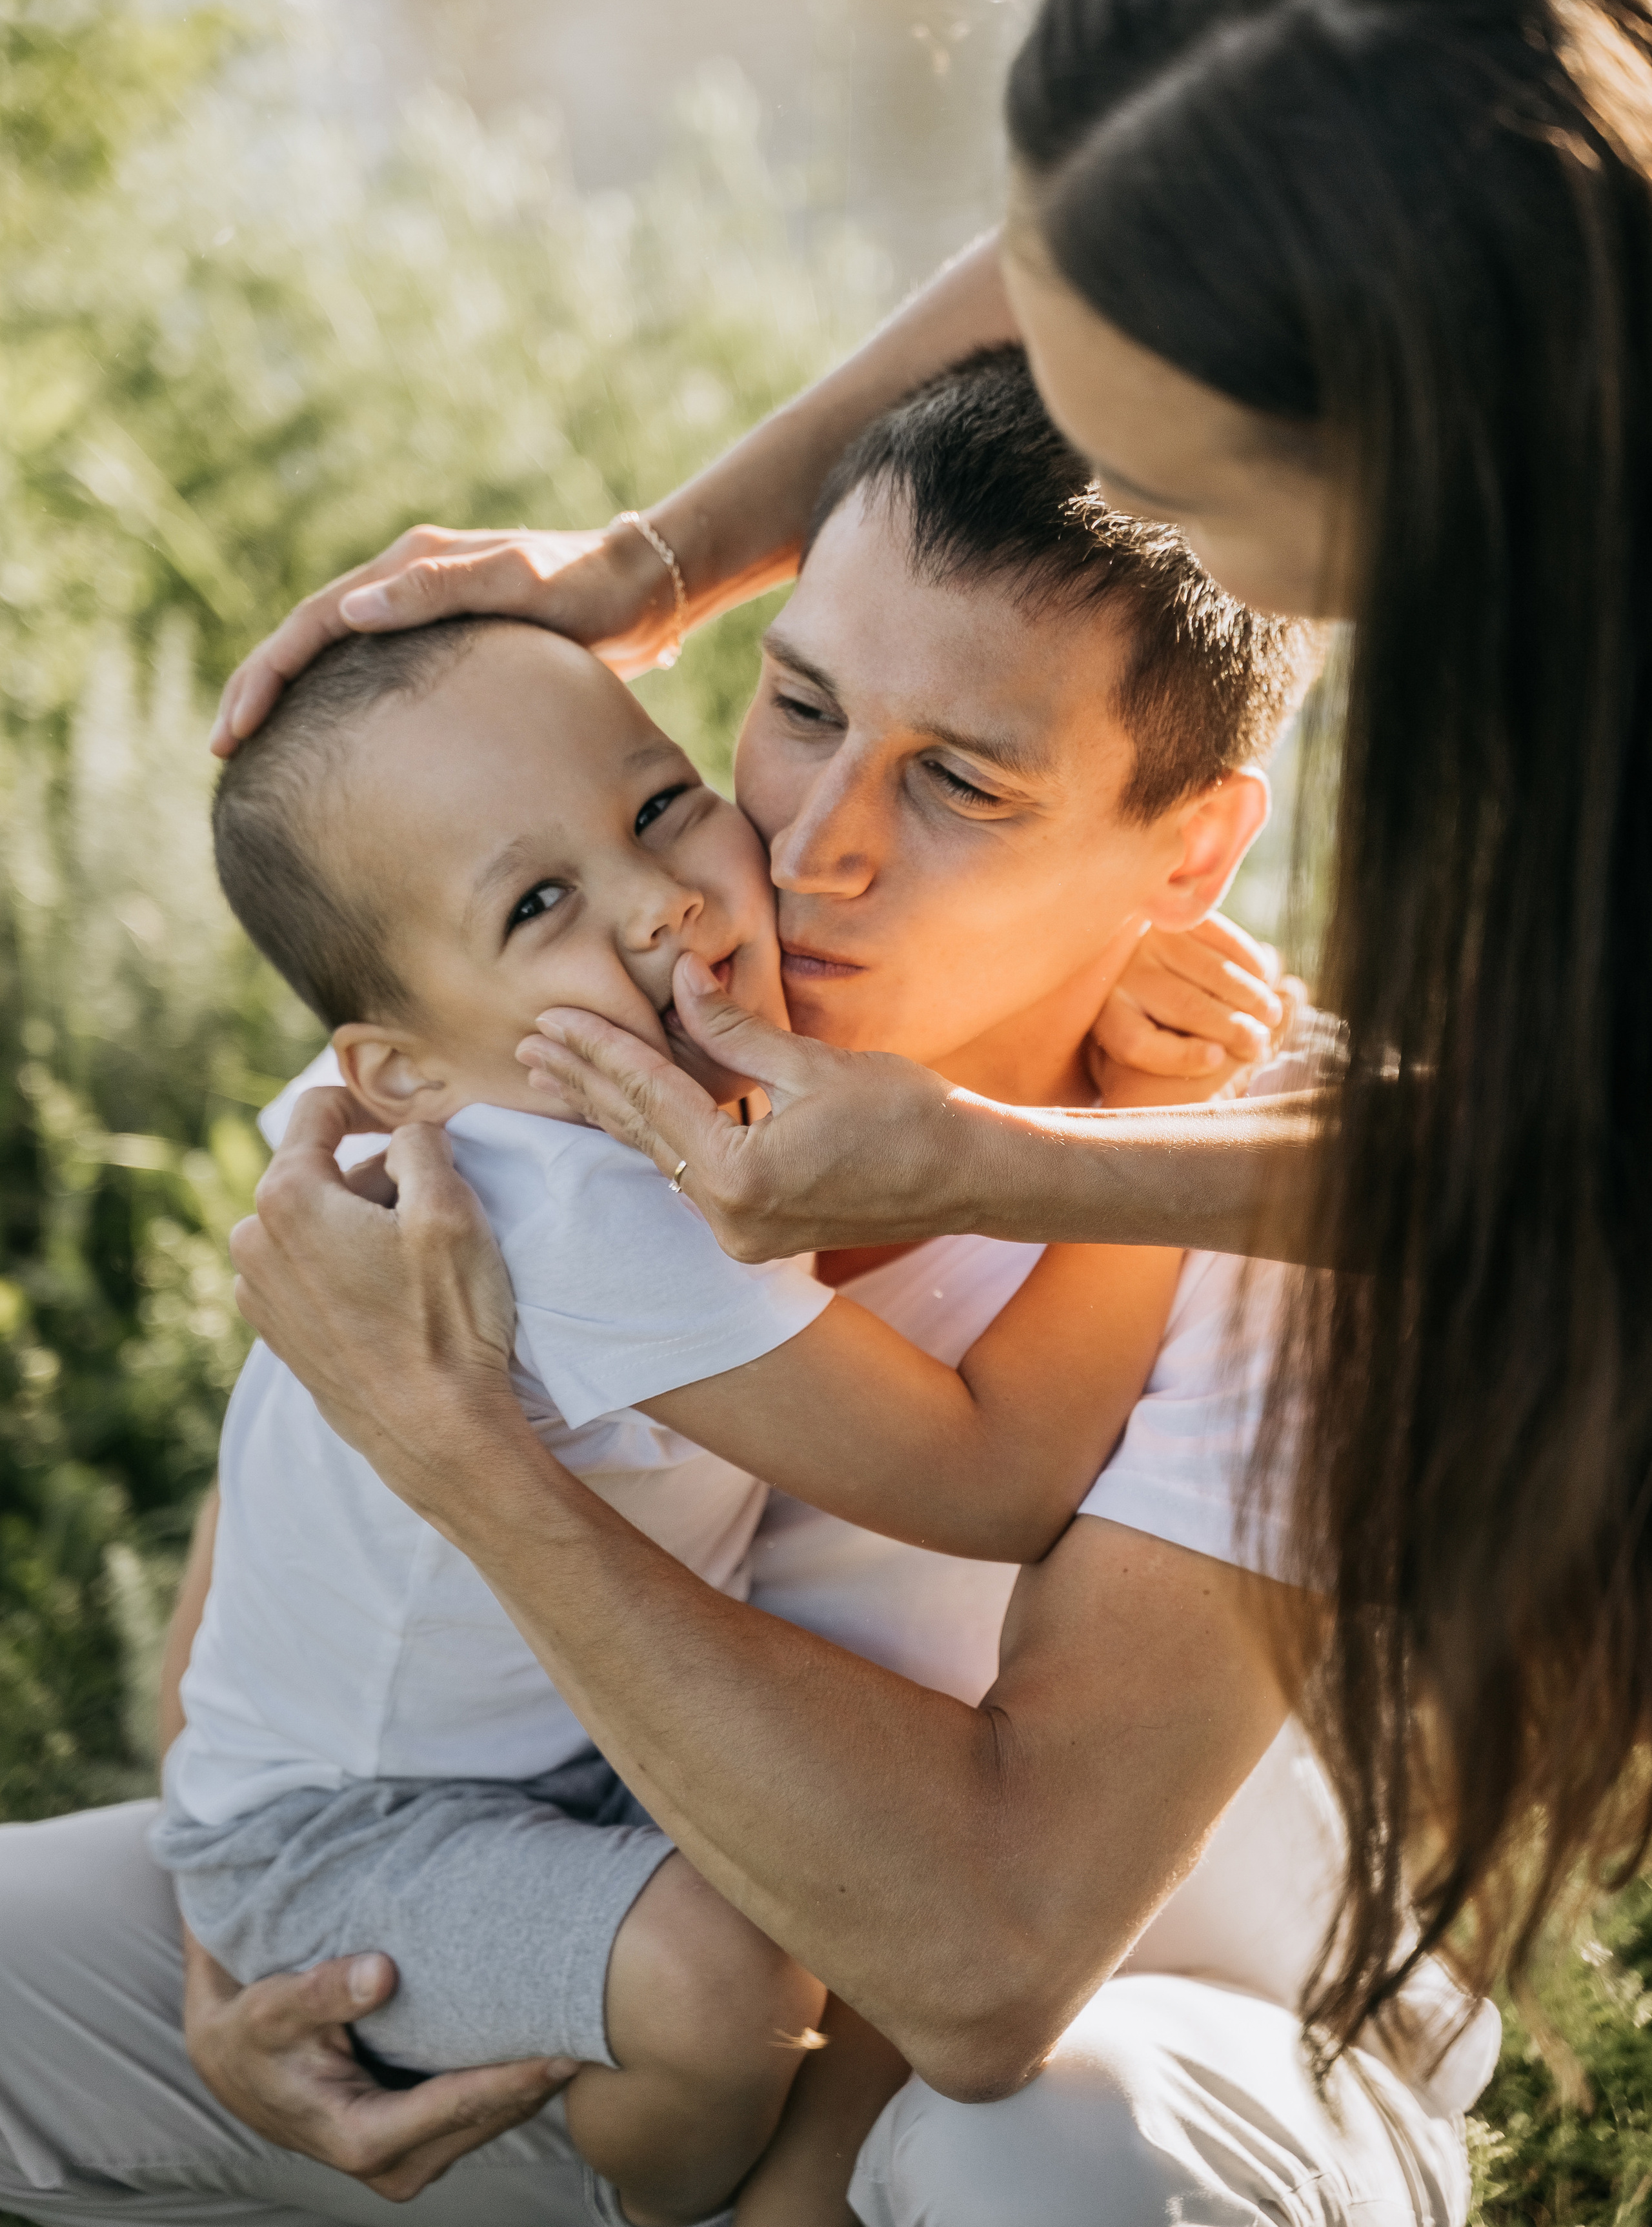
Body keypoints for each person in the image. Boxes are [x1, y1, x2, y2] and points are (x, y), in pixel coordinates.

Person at [205, 0, 1652, 2077]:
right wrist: (650, 569)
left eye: (1171, 471)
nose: (795, 848)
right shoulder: (599, 1013)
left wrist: (1019, 1166)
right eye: (778, 719)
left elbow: (1562, 1184)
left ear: (1449, 449)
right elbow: (1093, 240)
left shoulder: (1265, 1096)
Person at [0, 352, 1491, 2227]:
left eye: (958, 781)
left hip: (1117, 2030)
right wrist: (247, 1972)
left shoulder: (1272, 1199)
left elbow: (992, 1961)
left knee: (1040, 2160)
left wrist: (480, 1465)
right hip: (612, 1968)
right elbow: (259, 1627)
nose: (809, 846)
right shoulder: (548, 1047)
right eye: (797, 708)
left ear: (1189, 849)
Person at [163, 578, 1220, 2222]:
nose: (659, 902)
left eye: (663, 804)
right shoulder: (583, 1207)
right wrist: (1147, 1134)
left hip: (557, 1761)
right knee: (718, 1992)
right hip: (357, 1830)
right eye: (537, 907)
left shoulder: (473, 1080)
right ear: (406, 1074)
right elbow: (998, 1475)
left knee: (833, 1933)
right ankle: (644, 2202)